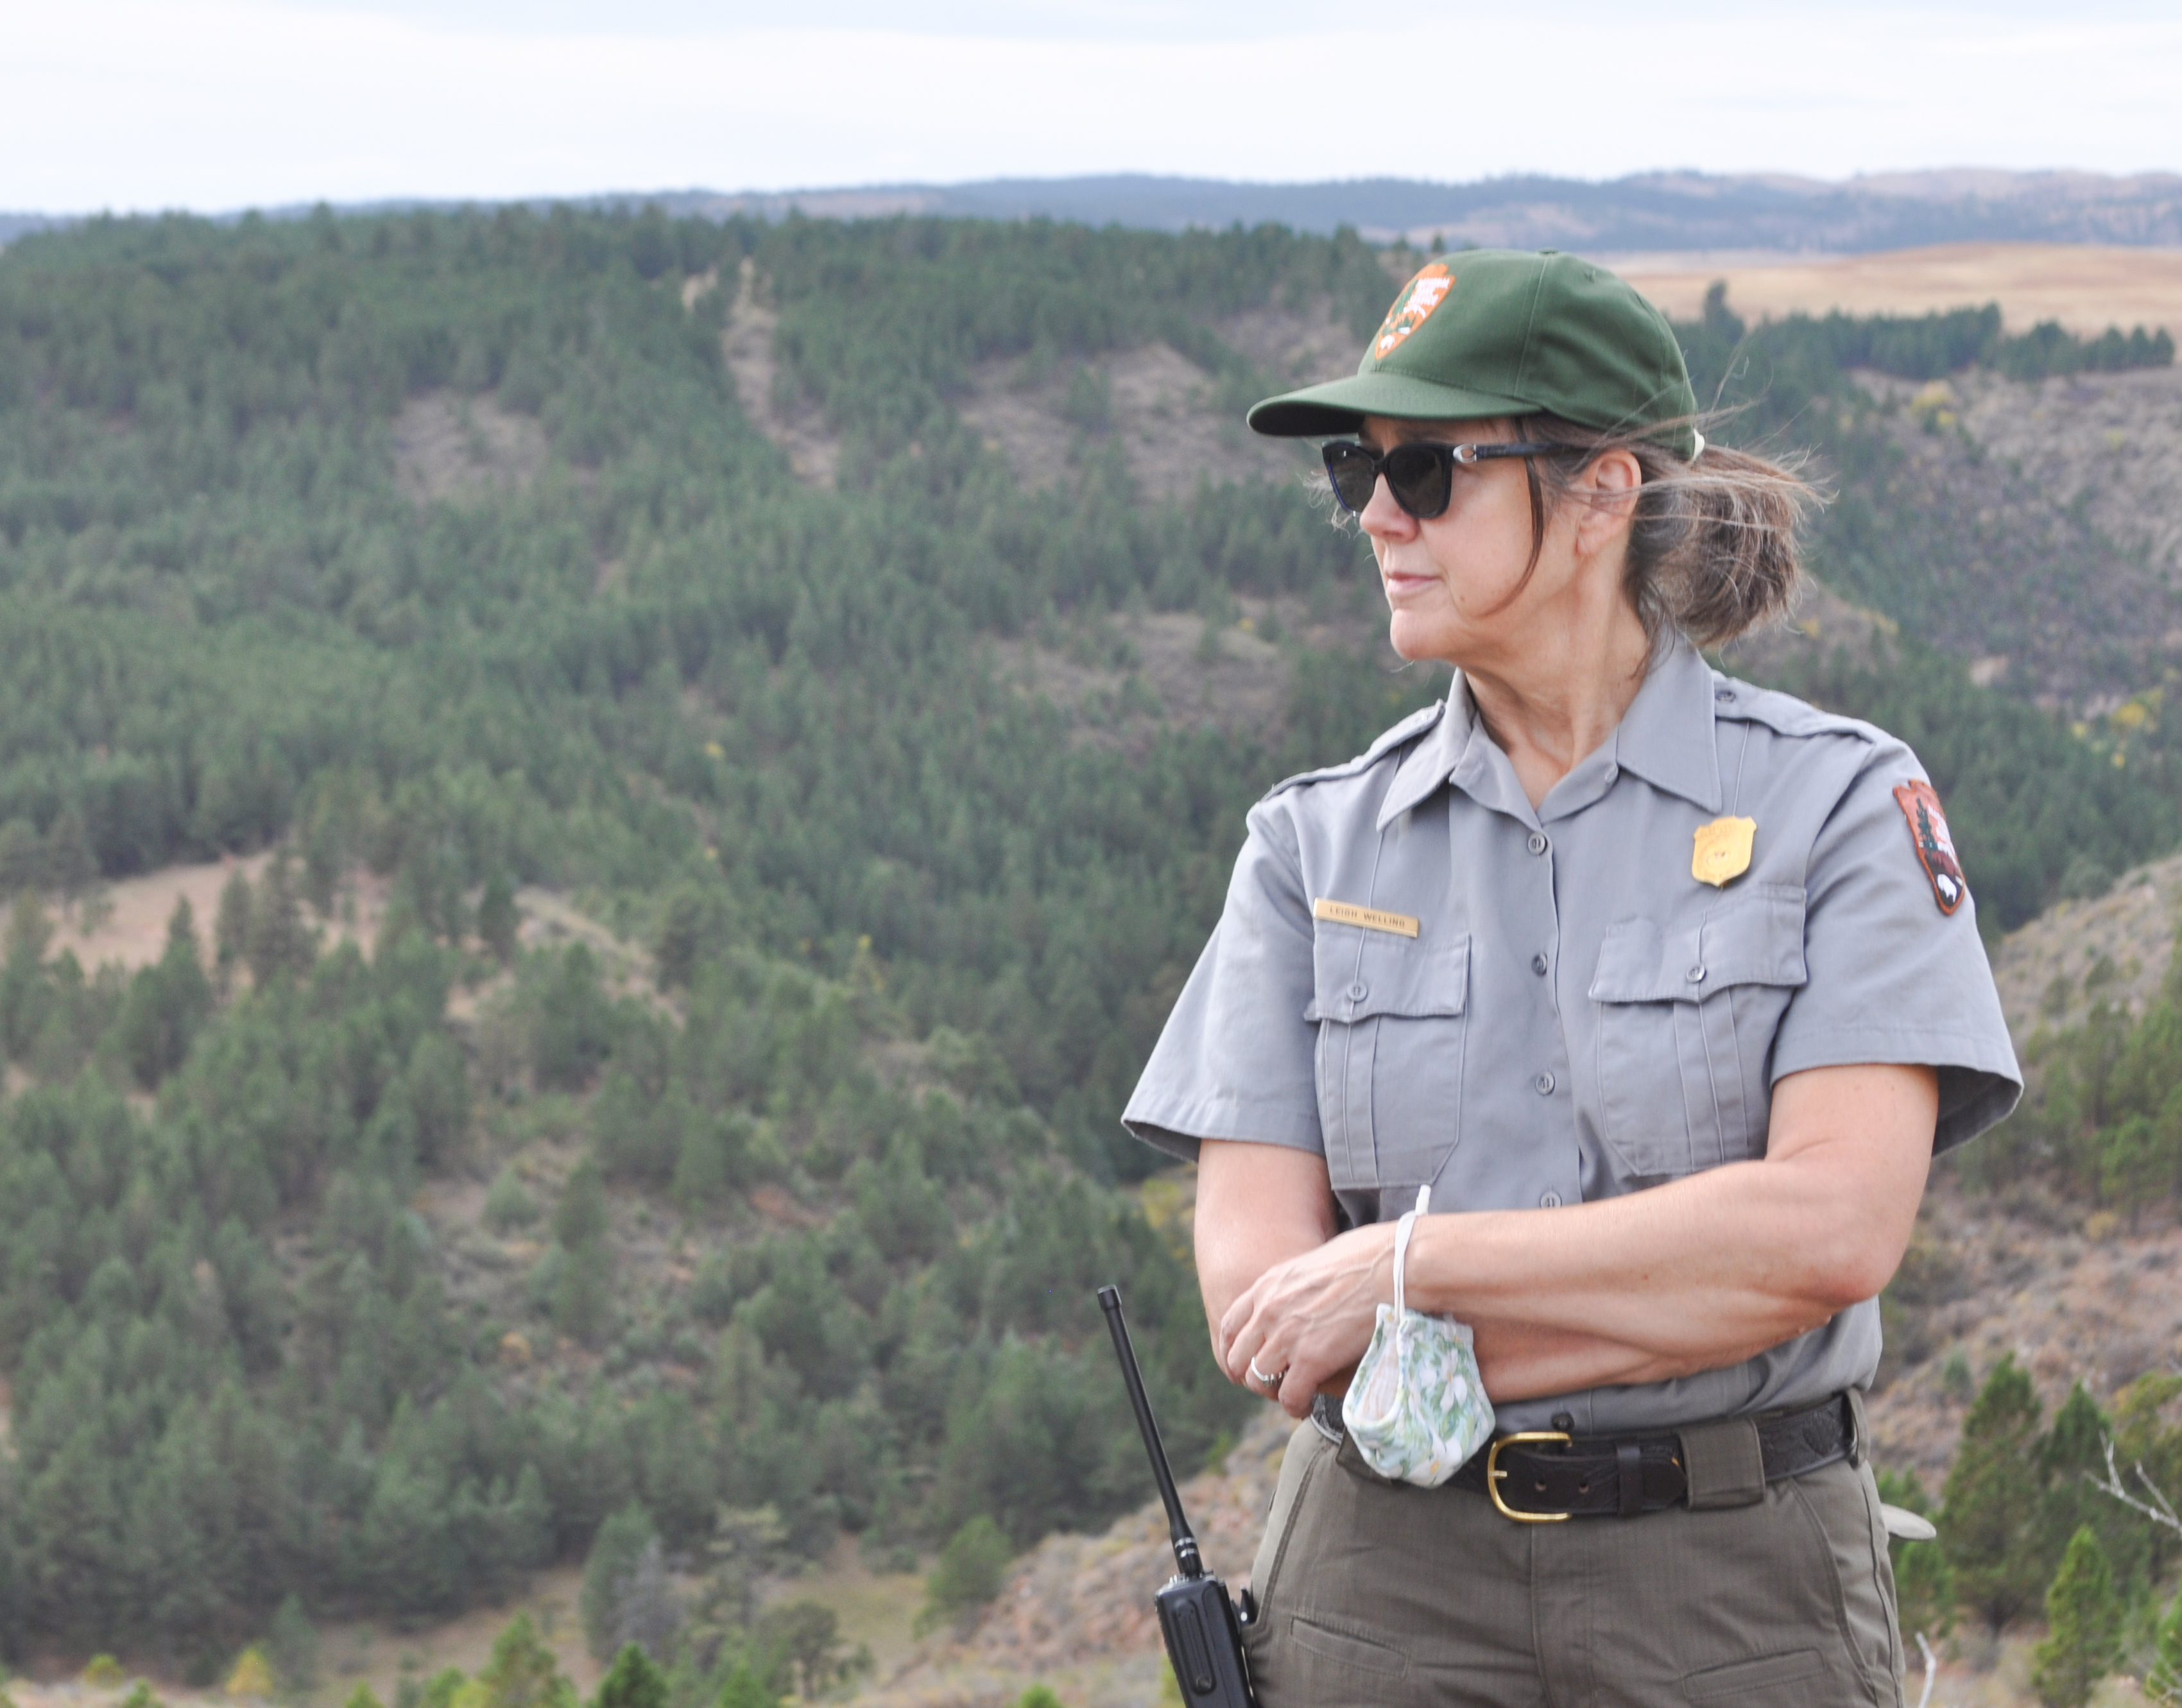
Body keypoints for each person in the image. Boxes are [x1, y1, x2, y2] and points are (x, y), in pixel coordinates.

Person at [1121, 250, 2021, 1707]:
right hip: (1378, 1589)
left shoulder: (1837, 804)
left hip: (1735, 1592)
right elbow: (1266, 1310)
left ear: (1600, 492)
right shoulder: (1308, 842)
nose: (1370, 513)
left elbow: (1830, 1231)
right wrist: (1686, 1282)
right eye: (1355, 466)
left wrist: (1405, 1270)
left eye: (1426, 470)